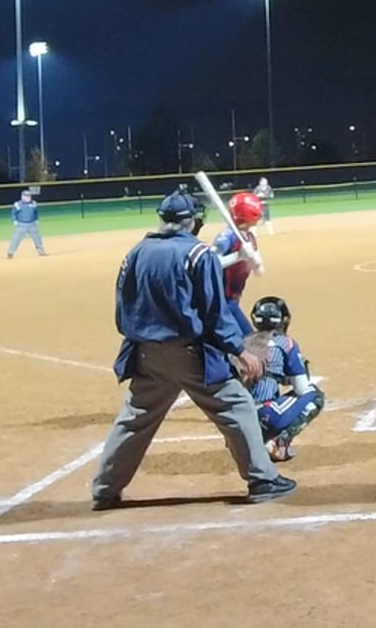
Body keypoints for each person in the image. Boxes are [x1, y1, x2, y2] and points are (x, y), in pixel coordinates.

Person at [90, 189, 295, 510]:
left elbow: (123, 310)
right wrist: (239, 350)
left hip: (145, 353)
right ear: (193, 222)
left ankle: (104, 488)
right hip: (190, 353)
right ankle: (263, 480)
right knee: (237, 406)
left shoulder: (136, 253)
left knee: (135, 419)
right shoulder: (198, 254)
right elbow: (215, 313)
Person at [245, 295, 325, 463]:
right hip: (267, 414)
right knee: (315, 394)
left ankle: (248, 442)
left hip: (239, 416)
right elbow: (301, 388)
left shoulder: (242, 342)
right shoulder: (285, 343)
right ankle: (279, 442)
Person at [212, 192, 267, 315]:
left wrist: (256, 264)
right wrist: (238, 256)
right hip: (221, 302)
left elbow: (259, 272)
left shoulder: (249, 237)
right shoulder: (228, 237)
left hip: (232, 300)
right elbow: (211, 262)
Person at [6, 190, 47, 258]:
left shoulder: (33, 203)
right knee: (16, 239)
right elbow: (13, 213)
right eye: (26, 196)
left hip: (32, 224)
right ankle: (10, 252)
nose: (28, 198)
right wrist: (14, 220)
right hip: (21, 225)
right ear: (22, 196)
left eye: (29, 196)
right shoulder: (18, 204)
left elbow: (36, 212)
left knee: (37, 238)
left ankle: (41, 252)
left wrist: (36, 219)